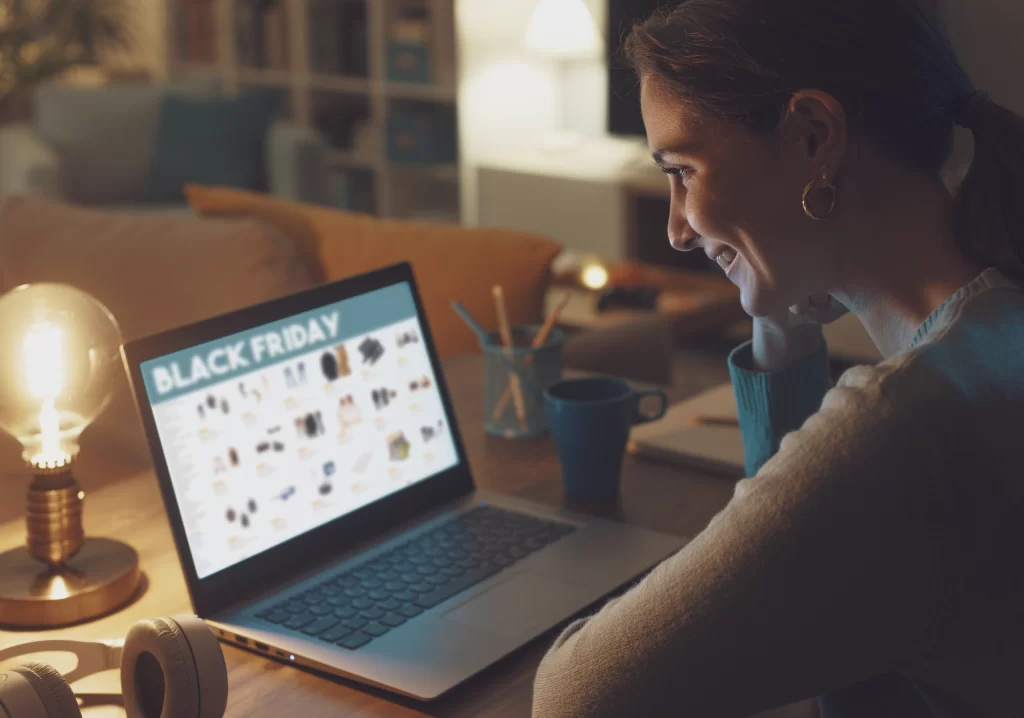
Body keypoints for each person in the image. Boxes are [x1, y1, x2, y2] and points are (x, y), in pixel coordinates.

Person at [531, 0, 1024, 716]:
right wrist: (786, 319)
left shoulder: (904, 424)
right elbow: (801, 553)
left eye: (683, 170)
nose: (675, 228)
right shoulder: (994, 326)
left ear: (813, 137)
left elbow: (576, 698)